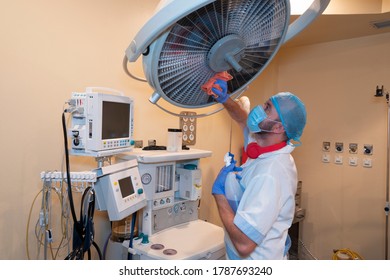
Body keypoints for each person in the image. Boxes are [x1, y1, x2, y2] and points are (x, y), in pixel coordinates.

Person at [210, 78, 307, 260]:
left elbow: (244, 244)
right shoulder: (263, 145)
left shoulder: (271, 173)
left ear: (278, 127)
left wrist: (219, 195)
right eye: (265, 103)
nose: (259, 109)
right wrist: (225, 99)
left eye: (267, 108)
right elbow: (242, 119)